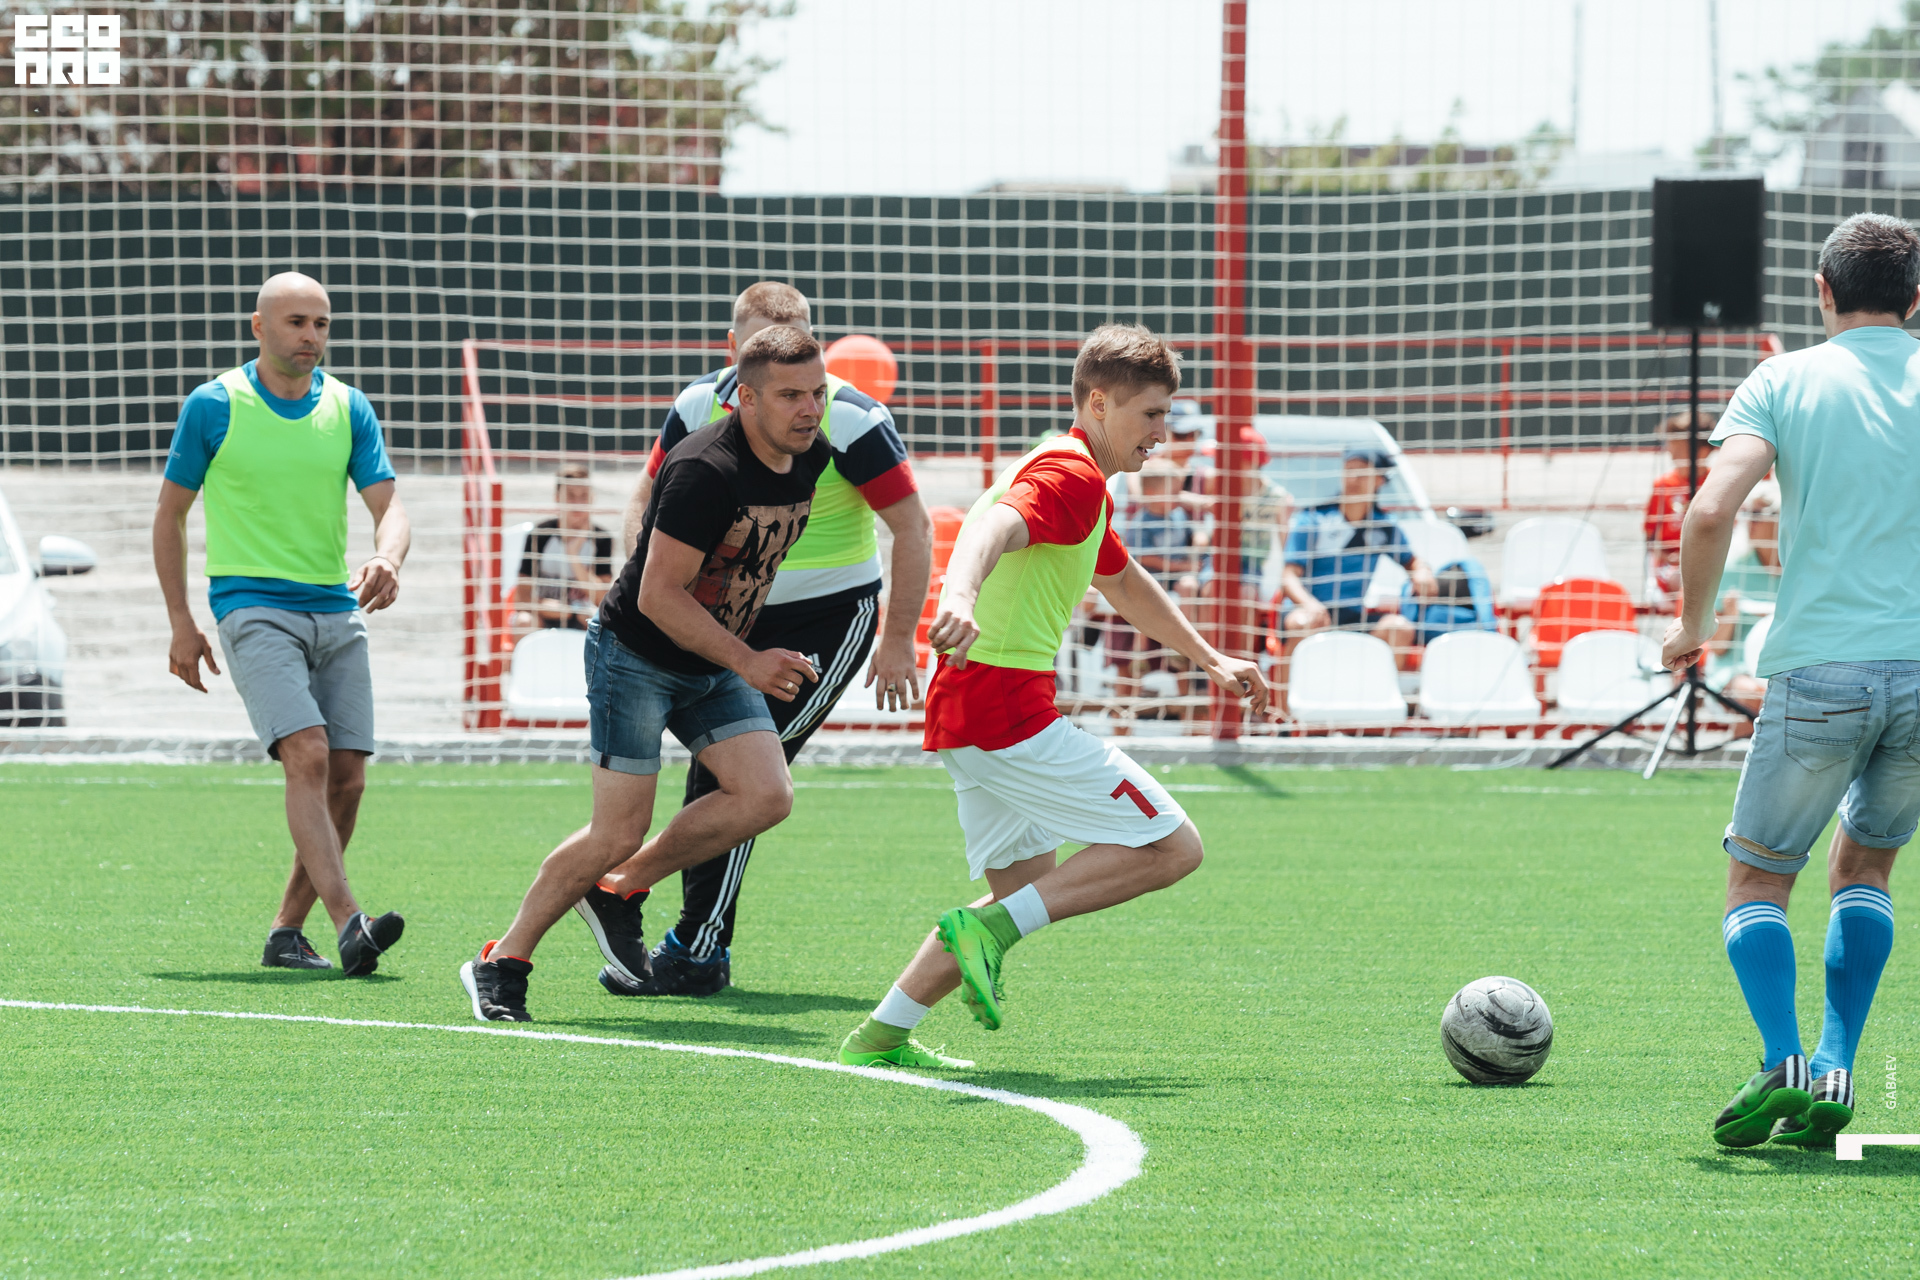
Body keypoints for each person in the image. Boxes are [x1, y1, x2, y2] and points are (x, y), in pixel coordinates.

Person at [834, 324, 1272, 1069]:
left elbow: (1123, 580)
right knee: (1172, 847)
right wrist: (959, 597)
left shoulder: (1076, 474)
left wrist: (1208, 658)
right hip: (1004, 708)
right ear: (1098, 403)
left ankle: (879, 1037)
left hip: (976, 705)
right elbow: (991, 529)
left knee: (1028, 887)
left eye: (1166, 415)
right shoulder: (1071, 475)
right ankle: (987, 936)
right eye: (1151, 414)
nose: (1162, 433)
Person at [460, 325, 833, 1023]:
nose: (810, 409)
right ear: (747, 398)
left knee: (765, 795)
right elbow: (658, 596)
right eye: (791, 396)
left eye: (818, 392)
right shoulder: (703, 471)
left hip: (711, 658)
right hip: (636, 656)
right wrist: (749, 659)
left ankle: (619, 889)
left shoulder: (812, 457)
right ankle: (501, 962)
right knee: (615, 832)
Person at [574, 283, 932, 997]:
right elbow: (647, 496)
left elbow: (913, 526)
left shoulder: (852, 419)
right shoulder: (696, 406)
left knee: (738, 779)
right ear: (738, 359)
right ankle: (617, 911)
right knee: (726, 781)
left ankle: (686, 939)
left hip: (828, 619)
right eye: (772, 362)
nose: (803, 396)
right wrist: (649, 583)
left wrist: (898, 638)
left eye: (806, 367)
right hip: (728, 621)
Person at [1662, 212, 1920, 1149]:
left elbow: (1710, 511)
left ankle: (1785, 1061)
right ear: (1916, 300)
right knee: (1867, 867)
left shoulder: (1783, 378)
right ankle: (1839, 1062)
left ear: (1822, 290)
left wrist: (1693, 628)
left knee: (1759, 879)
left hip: (1822, 668)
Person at [152, 271, 412, 976]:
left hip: (336, 607)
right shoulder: (213, 405)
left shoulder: (350, 407)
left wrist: (386, 557)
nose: (311, 336)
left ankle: (286, 933)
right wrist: (181, 621)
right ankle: (350, 921)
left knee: (348, 777)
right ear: (259, 327)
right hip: (251, 606)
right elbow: (170, 515)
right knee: (308, 753)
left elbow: (390, 506)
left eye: (321, 323)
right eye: (296, 322)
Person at [1272, 451, 1437, 705]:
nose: (1353, 478)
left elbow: (1412, 561)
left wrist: (1422, 571)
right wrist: (1310, 605)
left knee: (1399, 629)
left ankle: (1376, 709)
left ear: (1379, 480)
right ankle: (1283, 714)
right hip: (1310, 610)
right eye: (1348, 470)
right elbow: (1288, 577)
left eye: (1361, 471)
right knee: (1301, 623)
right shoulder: (1313, 518)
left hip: (1352, 616)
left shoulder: (1384, 526)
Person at [511, 461, 614, 634]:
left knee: (604, 626)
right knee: (524, 622)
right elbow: (521, 598)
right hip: (544, 614)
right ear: (557, 498)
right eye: (570, 496)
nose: (577, 503)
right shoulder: (540, 534)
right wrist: (548, 607)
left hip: (583, 619)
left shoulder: (602, 539)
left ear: (592, 498)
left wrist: (573, 557)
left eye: (583, 496)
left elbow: (602, 600)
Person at [1645, 409, 1718, 601]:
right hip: (1670, 566)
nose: (1671, 452)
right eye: (1671, 446)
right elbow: (1651, 537)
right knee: (1681, 581)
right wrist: (1667, 556)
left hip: (1710, 560)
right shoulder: (1663, 485)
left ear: (1703, 451)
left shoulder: (1717, 483)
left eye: (1680, 448)